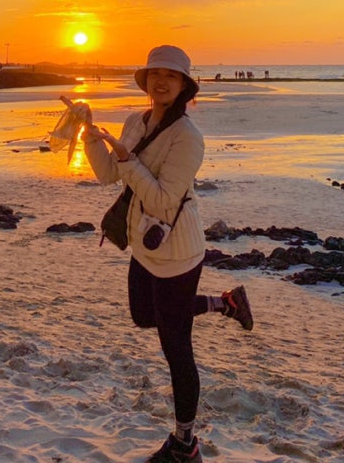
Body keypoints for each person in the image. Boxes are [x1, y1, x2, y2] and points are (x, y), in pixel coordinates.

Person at [81, 45, 253, 463]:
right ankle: (224, 302)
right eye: (154, 73)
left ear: (184, 86)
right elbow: (109, 175)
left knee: (176, 347)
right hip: (143, 244)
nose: (160, 81)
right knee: (143, 314)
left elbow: (161, 199)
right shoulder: (134, 121)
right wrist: (90, 137)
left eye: (170, 76)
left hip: (177, 251)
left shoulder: (188, 137)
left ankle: (185, 443)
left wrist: (127, 160)